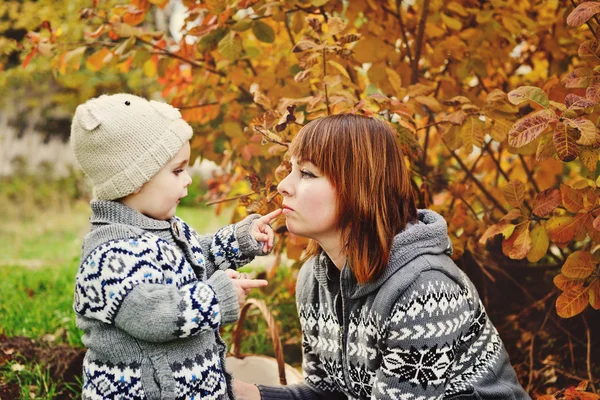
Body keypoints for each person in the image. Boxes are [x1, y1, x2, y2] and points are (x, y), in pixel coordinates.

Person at [234, 114, 530, 399]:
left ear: (359, 187)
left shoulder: (424, 291)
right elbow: (326, 393)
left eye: (307, 173)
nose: (283, 185)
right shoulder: (314, 281)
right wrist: (251, 394)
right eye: (291, 170)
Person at [70, 93, 281, 400]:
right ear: (135, 180)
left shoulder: (165, 228)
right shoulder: (109, 255)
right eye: (177, 170)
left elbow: (196, 261)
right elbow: (153, 315)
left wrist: (239, 239)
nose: (188, 181)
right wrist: (215, 298)